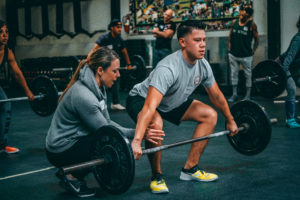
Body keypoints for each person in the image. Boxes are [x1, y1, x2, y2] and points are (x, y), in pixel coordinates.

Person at [126, 20, 238, 194]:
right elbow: (149, 107)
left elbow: (216, 95)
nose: (202, 45)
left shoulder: (203, 65)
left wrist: (230, 120)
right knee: (155, 122)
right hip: (140, 98)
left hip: (172, 101)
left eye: (204, 40)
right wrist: (137, 140)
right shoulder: (168, 68)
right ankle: (157, 176)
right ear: (183, 42)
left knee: (209, 115)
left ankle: (190, 169)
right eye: (197, 40)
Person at [45, 47, 164, 198]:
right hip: (60, 149)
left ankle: (73, 172)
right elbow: (107, 132)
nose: (118, 75)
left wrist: (138, 133)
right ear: (100, 70)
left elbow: (107, 122)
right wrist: (139, 134)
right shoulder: (84, 96)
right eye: (114, 71)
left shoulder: (98, 88)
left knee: (110, 141)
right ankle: (71, 176)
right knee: (109, 144)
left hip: (73, 142)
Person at [0, 20, 34, 154]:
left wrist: (28, 92)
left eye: (6, 32)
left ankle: (2, 144)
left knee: (6, 105)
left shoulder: (8, 52)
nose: (4, 35)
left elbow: (17, 74)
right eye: (0, 32)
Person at [89, 19, 132, 111]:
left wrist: (129, 64)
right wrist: (90, 61)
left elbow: (124, 52)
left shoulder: (119, 39)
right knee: (99, 84)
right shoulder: (104, 38)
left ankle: (115, 103)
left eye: (121, 27)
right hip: (103, 65)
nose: (120, 29)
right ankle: (96, 103)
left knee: (116, 80)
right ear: (112, 28)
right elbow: (94, 50)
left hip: (113, 66)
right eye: (118, 27)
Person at [227, 7, 259, 102]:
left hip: (246, 56)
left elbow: (257, 39)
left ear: (248, 16)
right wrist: (229, 48)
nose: (241, 16)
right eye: (241, 14)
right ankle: (234, 94)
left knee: (248, 75)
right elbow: (230, 36)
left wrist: (253, 50)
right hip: (234, 55)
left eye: (243, 15)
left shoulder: (252, 25)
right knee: (234, 74)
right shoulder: (234, 23)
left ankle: (248, 95)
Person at [275, 16, 300, 128]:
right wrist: (282, 74)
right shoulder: (298, 39)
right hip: (283, 65)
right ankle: (290, 120)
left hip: (294, 68)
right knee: (292, 90)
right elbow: (289, 57)